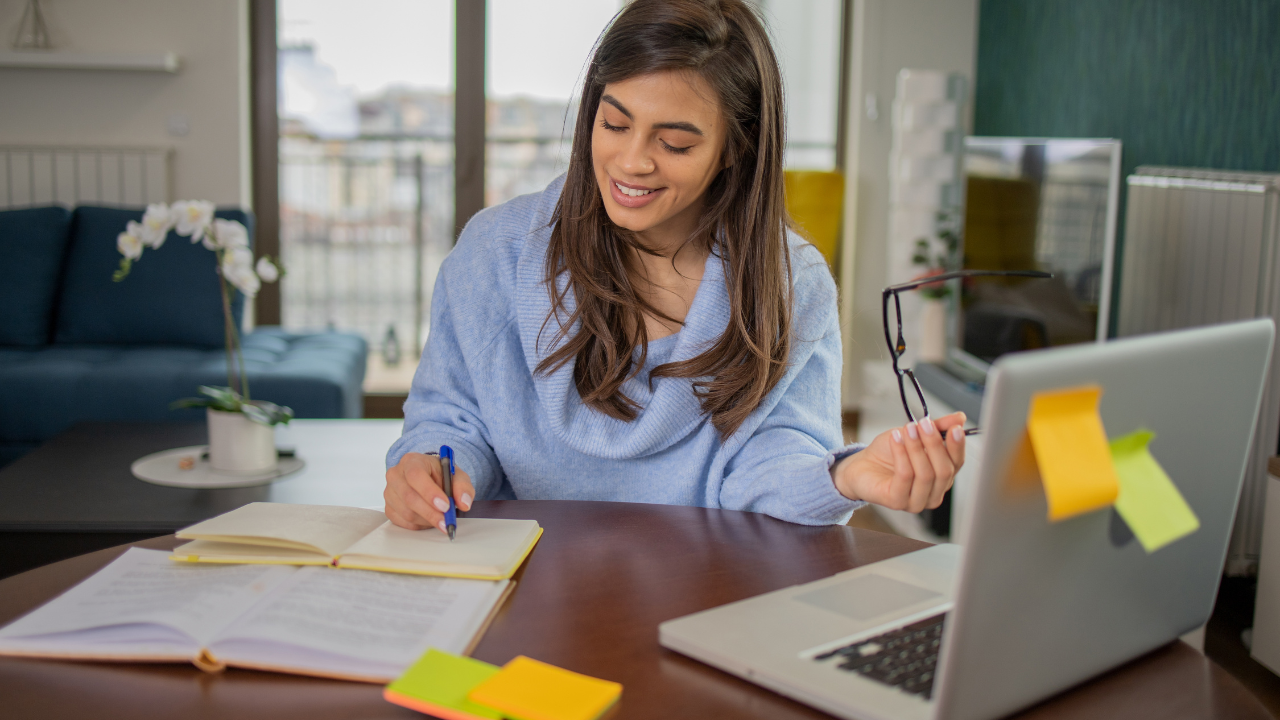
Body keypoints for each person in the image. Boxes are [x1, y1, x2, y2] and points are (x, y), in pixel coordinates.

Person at [384, 0, 966, 534]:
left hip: (704, 600)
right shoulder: (494, 252)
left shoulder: (790, 284)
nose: (631, 161)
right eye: (614, 124)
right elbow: (452, 420)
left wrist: (845, 476)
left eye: (676, 144)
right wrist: (431, 465)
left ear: (735, 147)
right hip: (522, 583)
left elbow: (772, 459)